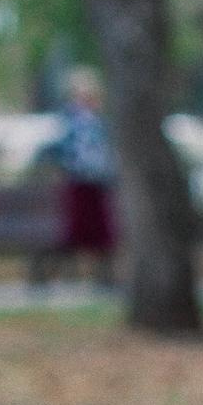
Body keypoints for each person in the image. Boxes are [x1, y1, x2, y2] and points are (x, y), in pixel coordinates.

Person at [54, 68, 117, 278]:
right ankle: (79, 273)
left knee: (100, 229)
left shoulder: (100, 121)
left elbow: (106, 151)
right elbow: (65, 152)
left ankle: (101, 273)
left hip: (98, 180)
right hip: (79, 179)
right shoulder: (70, 120)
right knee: (80, 229)